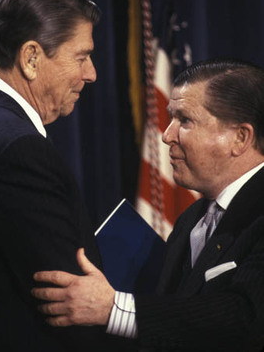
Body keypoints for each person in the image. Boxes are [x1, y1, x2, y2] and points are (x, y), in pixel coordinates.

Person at [32, 58, 264, 352]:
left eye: (185, 120)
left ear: (240, 138)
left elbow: (244, 316)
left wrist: (116, 309)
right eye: (171, 118)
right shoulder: (191, 219)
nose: (167, 136)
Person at [0, 0, 134, 352]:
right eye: (82, 56)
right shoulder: (18, 149)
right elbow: (70, 308)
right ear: (31, 58)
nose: (91, 74)